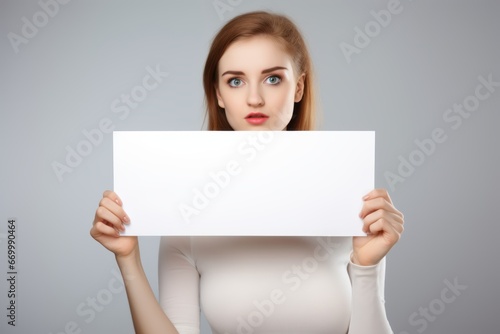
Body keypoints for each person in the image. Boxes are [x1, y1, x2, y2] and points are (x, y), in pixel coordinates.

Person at [91, 11, 404, 334]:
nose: (254, 99)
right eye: (235, 81)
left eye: (272, 78)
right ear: (218, 94)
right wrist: (128, 261)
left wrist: (367, 266)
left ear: (298, 88)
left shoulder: (350, 202)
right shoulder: (188, 211)